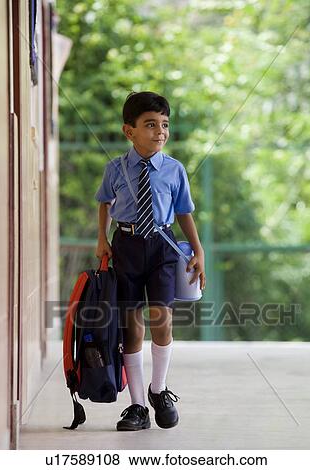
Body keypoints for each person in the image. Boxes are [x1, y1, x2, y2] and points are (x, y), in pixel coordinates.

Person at [95, 91, 206, 431]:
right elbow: (104, 203)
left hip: (162, 245)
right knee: (132, 326)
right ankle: (138, 406)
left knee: (162, 317)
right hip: (126, 245)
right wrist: (102, 237)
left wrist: (198, 250)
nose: (160, 132)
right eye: (150, 125)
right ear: (129, 131)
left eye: (165, 125)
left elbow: (184, 212)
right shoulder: (115, 168)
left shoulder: (174, 169)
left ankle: (159, 389)